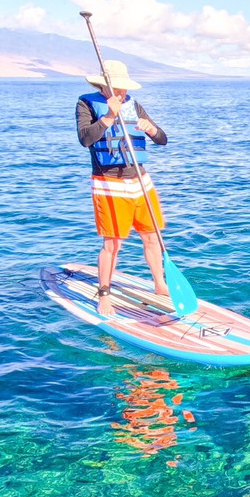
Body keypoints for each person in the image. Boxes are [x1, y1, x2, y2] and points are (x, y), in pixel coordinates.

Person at [75, 60, 169, 316]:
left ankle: (160, 284)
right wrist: (108, 116)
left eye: (124, 87)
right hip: (109, 183)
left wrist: (152, 129)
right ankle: (104, 295)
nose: (121, 92)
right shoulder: (86, 103)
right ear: (103, 86)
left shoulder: (134, 105)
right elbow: (85, 139)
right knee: (113, 243)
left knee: (152, 236)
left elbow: (162, 139)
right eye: (116, 88)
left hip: (141, 181)